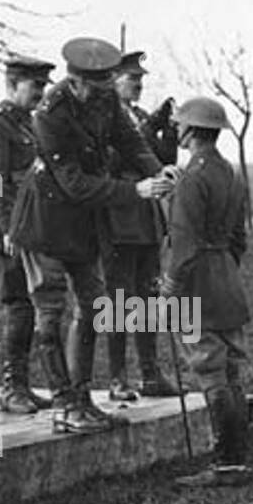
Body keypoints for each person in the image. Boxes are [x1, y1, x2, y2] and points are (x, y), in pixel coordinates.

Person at [8, 36, 175, 434]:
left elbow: (129, 139)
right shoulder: (51, 112)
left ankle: (82, 398)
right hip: (44, 221)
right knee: (50, 312)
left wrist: (156, 170)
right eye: (96, 89)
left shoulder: (104, 99)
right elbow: (73, 182)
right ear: (76, 82)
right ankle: (65, 406)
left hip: (82, 219)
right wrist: (133, 191)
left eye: (107, 88)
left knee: (94, 305)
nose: (103, 96)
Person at [159, 97, 252, 489]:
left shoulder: (191, 178)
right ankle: (236, 458)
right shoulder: (231, 172)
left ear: (191, 131)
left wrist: (169, 289)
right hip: (226, 279)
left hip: (195, 284)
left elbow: (182, 246)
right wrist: (224, 268)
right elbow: (237, 239)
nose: (176, 129)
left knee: (209, 369)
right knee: (229, 369)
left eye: (180, 124)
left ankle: (227, 465)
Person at [0, 55, 57, 413]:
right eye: (34, 85)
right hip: (6, 233)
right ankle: (11, 388)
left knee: (27, 306)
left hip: (28, 229)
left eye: (42, 86)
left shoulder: (28, 125)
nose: (40, 92)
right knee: (18, 308)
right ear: (12, 85)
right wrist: (11, 228)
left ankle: (21, 385)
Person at [103, 50, 181, 401]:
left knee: (147, 299)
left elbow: (162, 159)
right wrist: (149, 129)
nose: (139, 85)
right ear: (113, 80)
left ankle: (150, 373)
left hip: (147, 219)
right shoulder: (103, 118)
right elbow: (111, 161)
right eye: (133, 79)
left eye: (140, 80)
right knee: (119, 301)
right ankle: (118, 377)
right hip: (118, 217)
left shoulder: (138, 116)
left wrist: (169, 127)